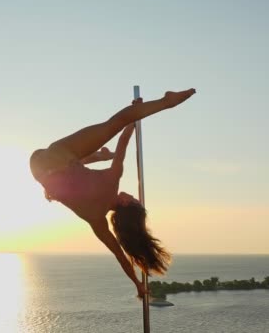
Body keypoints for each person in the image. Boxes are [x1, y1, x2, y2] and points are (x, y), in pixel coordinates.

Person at [29, 88, 196, 298]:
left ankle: (166, 102)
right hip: (39, 173)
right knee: (75, 168)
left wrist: (137, 112)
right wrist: (137, 284)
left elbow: (123, 131)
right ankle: (99, 156)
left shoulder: (113, 178)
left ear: (126, 203)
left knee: (112, 125)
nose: (134, 196)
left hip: (55, 156)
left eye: (135, 199)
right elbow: (120, 256)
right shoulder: (97, 220)